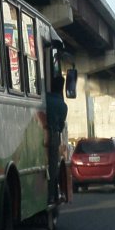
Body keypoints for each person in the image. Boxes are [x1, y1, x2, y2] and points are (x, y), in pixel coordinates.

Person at [46, 75, 68, 204]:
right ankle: (51, 196)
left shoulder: (44, 98)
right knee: (53, 168)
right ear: (61, 89)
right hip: (53, 136)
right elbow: (60, 125)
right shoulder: (62, 106)